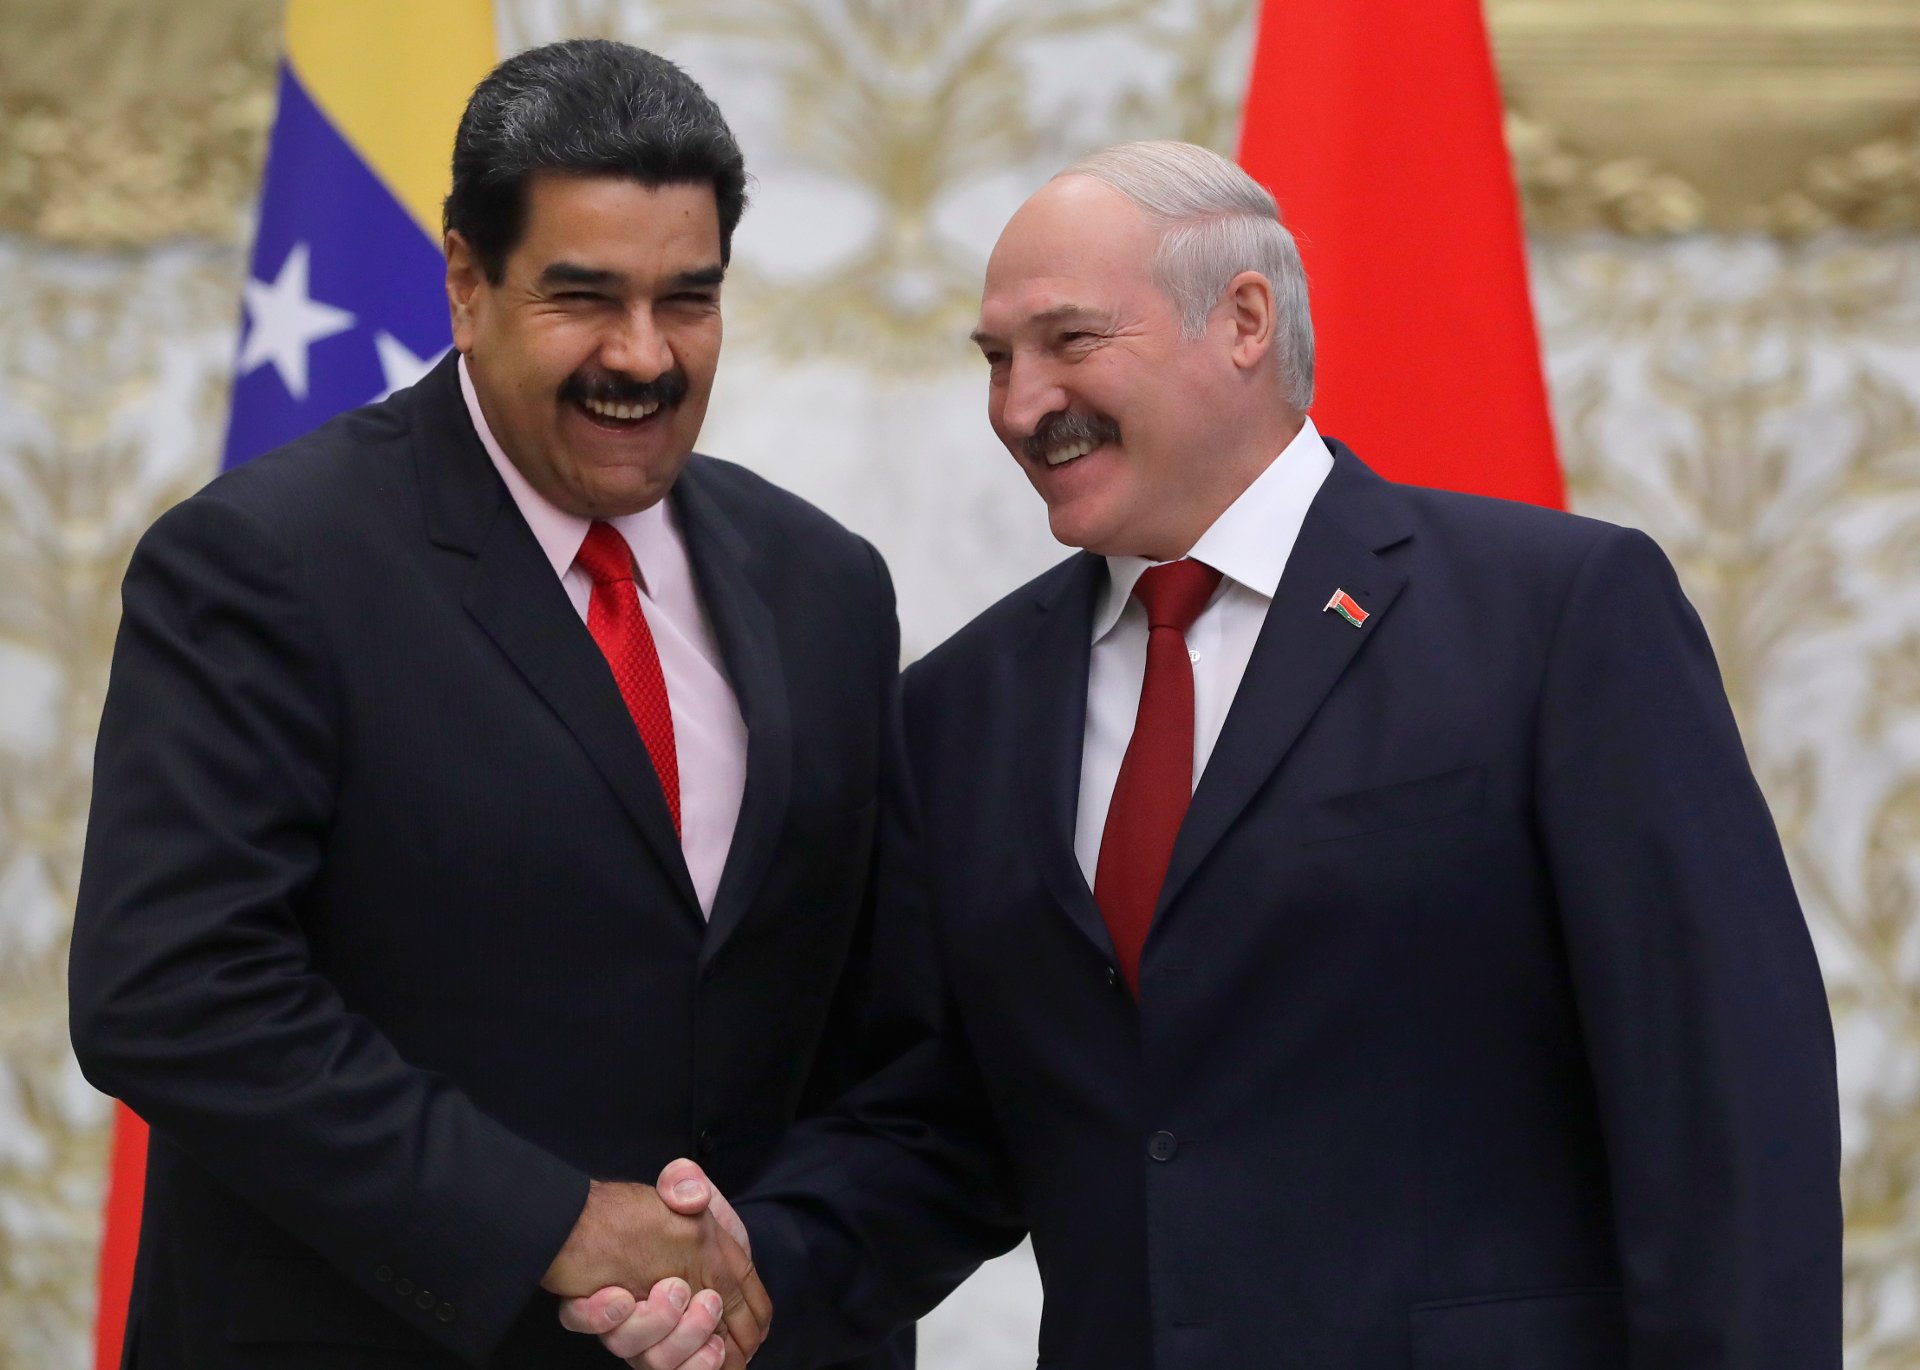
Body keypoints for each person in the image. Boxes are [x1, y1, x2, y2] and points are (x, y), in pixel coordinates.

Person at [577, 139, 1843, 1369]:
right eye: (997, 359)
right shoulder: (962, 708)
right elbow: (943, 1125)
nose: (1021, 405)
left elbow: (1723, 1104)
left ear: (1243, 320)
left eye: (1070, 341)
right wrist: (748, 1272)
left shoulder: (1551, 616)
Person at [69, 39, 921, 1370]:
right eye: (584, 297)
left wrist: (775, 1271)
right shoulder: (268, 562)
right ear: (466, 283)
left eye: (687, 300)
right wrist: (552, 1222)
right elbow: (175, 992)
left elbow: (882, 1031)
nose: (642, 354)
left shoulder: (827, 582)